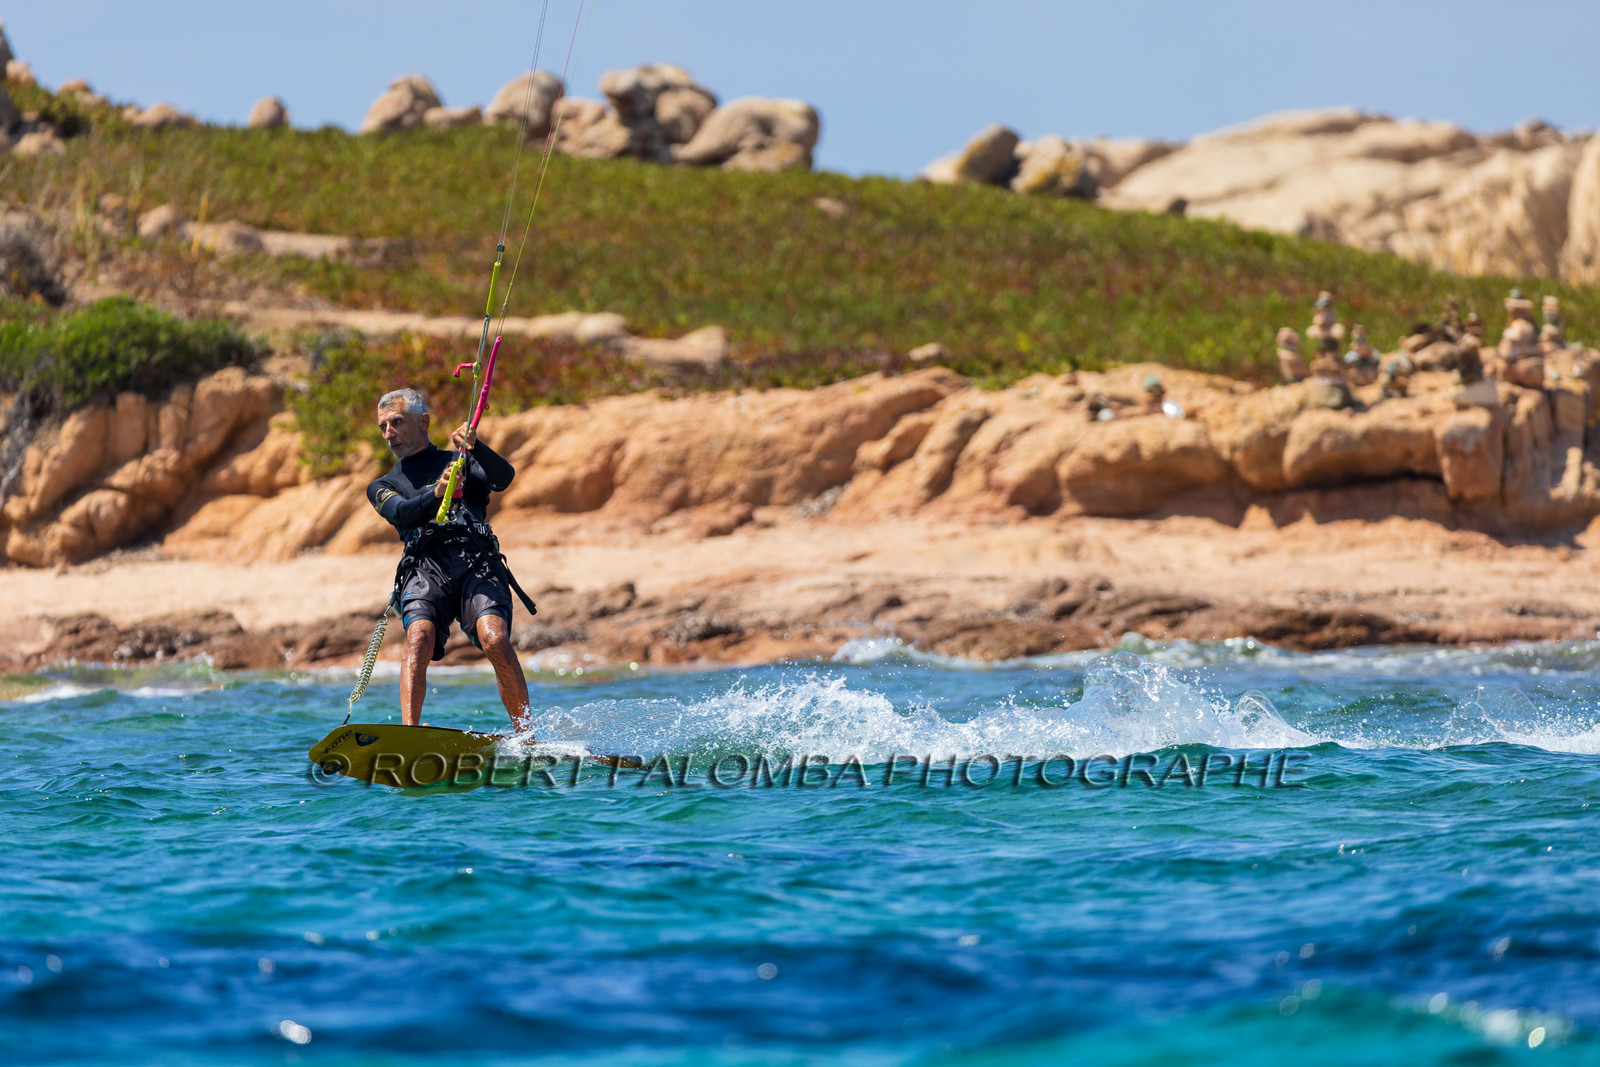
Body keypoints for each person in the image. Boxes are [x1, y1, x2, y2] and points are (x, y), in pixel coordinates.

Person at [365, 388, 536, 733]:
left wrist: (477, 447)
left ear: (423, 421)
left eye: (397, 422)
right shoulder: (382, 485)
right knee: (419, 637)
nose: (389, 433)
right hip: (425, 568)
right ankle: (412, 731)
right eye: (383, 426)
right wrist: (436, 493)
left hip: (476, 561)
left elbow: (504, 478)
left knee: (495, 639)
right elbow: (403, 512)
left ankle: (526, 735)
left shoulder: (462, 460)